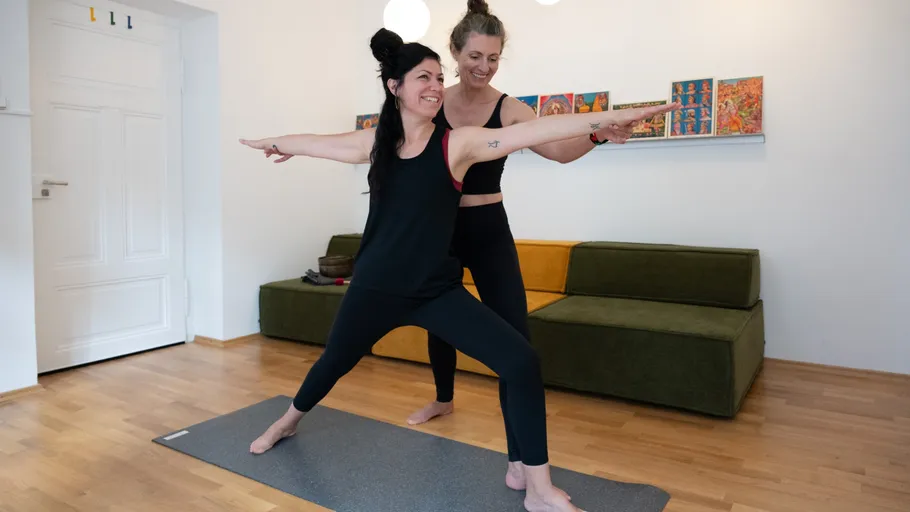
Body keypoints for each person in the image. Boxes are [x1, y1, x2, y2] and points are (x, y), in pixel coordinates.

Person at [239, 27, 678, 512]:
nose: (433, 86)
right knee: (333, 363)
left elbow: (534, 132)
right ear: (395, 88)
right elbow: (324, 143)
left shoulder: (459, 144)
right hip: (376, 287)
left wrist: (614, 117)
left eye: (437, 77)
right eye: (422, 78)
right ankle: (287, 421)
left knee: (521, 361)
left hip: (434, 289)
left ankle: (537, 487)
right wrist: (278, 142)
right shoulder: (378, 142)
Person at [404, 0, 634, 493]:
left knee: (515, 341)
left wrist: (595, 135)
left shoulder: (509, 108)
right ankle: (443, 398)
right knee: (438, 321)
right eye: (475, 57)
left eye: (493, 58)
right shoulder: (430, 100)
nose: (483, 67)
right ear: (454, 52)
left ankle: (517, 459)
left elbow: (557, 150)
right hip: (436, 231)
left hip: (488, 228)